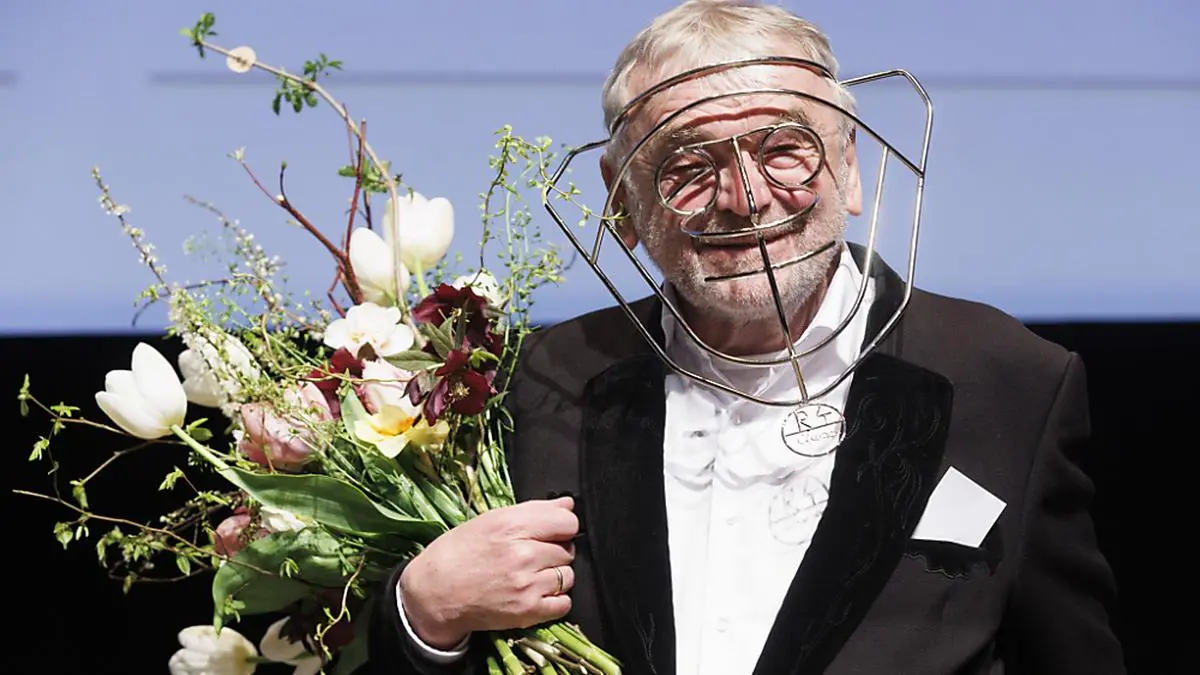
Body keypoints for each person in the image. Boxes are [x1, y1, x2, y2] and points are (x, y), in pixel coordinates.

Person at [369, 1, 1126, 673]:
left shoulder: (1008, 378)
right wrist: (423, 615)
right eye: (688, 165)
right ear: (621, 199)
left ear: (850, 168)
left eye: (783, 149)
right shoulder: (535, 383)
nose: (746, 196)